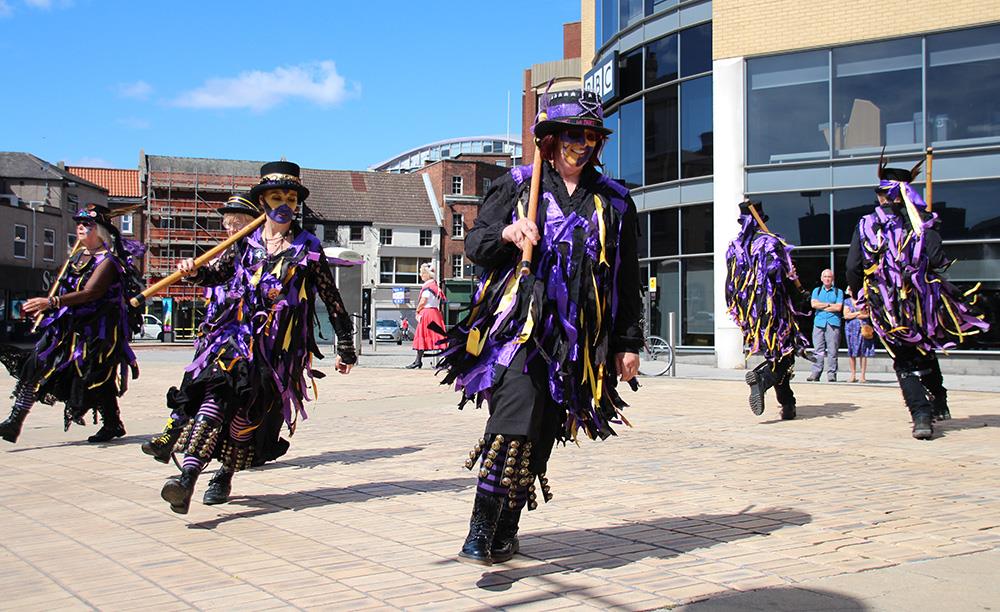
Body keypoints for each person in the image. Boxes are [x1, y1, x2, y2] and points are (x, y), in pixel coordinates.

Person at [437, 89, 643, 565]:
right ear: (549, 140)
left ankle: (506, 530)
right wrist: (508, 233)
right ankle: (480, 528)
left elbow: (626, 279)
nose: (583, 145)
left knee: (541, 435)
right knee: (513, 421)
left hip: (575, 346)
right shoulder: (517, 185)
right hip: (518, 333)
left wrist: (627, 342)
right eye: (574, 135)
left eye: (592, 136)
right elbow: (477, 246)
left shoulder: (613, 202)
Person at [159, 161, 357, 513]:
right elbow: (216, 275)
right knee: (215, 398)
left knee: (247, 417)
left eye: (291, 198)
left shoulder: (308, 247)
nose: (284, 203)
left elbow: (331, 297)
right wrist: (193, 272)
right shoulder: (244, 244)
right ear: (263, 201)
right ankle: (186, 479)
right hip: (235, 339)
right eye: (277, 196)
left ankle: (225, 472)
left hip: (277, 352)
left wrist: (345, 345)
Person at [846, 154, 989, 439]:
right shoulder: (924, 223)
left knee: (904, 359)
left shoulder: (866, 224)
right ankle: (939, 399)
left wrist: (860, 296)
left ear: (883, 195)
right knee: (924, 350)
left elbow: (852, 266)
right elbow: (939, 262)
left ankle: (922, 414)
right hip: (923, 302)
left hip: (888, 307)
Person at [0, 203, 143, 444]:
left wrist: (52, 302)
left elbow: (91, 292)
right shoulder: (76, 258)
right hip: (67, 328)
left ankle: (112, 423)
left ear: (99, 230)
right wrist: (48, 303)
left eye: (87, 224)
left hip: (96, 332)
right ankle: (15, 421)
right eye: (78, 223)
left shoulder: (108, 261)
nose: (80, 228)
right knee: (37, 363)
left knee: (96, 378)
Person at [140, 193, 260, 464]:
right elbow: (214, 277)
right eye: (228, 224)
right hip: (216, 333)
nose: (231, 229)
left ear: (252, 224)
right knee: (193, 380)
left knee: (220, 392)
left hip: (242, 336)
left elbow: (236, 283)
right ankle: (170, 434)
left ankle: (218, 459)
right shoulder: (230, 251)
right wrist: (194, 272)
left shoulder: (255, 252)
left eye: (237, 223)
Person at [725, 200, 809, 420]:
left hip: (753, 316)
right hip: (776, 311)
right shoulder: (770, 243)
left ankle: (788, 405)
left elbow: (731, 283)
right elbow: (779, 275)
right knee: (785, 353)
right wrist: (798, 296)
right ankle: (763, 378)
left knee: (778, 355)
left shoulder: (734, 248)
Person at [405, 263, 446, 369]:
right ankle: (447, 361)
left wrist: (417, 310)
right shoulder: (436, 286)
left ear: (428, 274)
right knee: (438, 336)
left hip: (427, 313)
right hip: (435, 313)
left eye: (422, 273)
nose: (421, 275)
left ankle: (418, 361)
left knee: (422, 336)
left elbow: (423, 301)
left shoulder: (428, 287)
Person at [807, 269, 843, 382]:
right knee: (818, 349)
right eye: (825, 276)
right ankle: (816, 373)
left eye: (829, 277)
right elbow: (813, 304)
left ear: (832, 279)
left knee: (832, 350)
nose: (827, 279)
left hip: (833, 323)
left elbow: (838, 307)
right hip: (819, 323)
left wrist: (821, 305)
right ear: (822, 278)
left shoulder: (838, 292)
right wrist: (828, 305)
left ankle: (832, 374)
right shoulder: (816, 291)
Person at [842, 286, 875, 383]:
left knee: (863, 352)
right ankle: (853, 375)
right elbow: (846, 316)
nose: (853, 292)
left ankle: (863, 376)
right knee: (851, 352)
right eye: (851, 290)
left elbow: (867, 314)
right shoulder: (847, 301)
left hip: (862, 328)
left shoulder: (864, 301)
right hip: (850, 329)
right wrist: (857, 313)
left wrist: (853, 314)